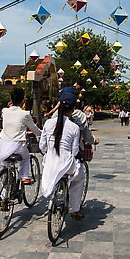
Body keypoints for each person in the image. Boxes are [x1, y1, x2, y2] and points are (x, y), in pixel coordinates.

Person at [39, 88, 86, 220]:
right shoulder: (74, 127)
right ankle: (74, 209)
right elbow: (75, 151)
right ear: (73, 109)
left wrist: (49, 154)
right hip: (66, 163)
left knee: (53, 168)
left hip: (50, 162)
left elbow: (42, 146)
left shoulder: (48, 123)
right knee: (79, 178)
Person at [0, 87, 41, 184]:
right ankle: (24, 176)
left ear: (11, 100)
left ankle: (3, 194)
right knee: (26, 157)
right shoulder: (25, 114)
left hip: (3, 145)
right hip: (17, 146)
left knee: (6, 165)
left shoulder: (5, 111)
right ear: (23, 100)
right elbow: (34, 130)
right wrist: (42, 133)